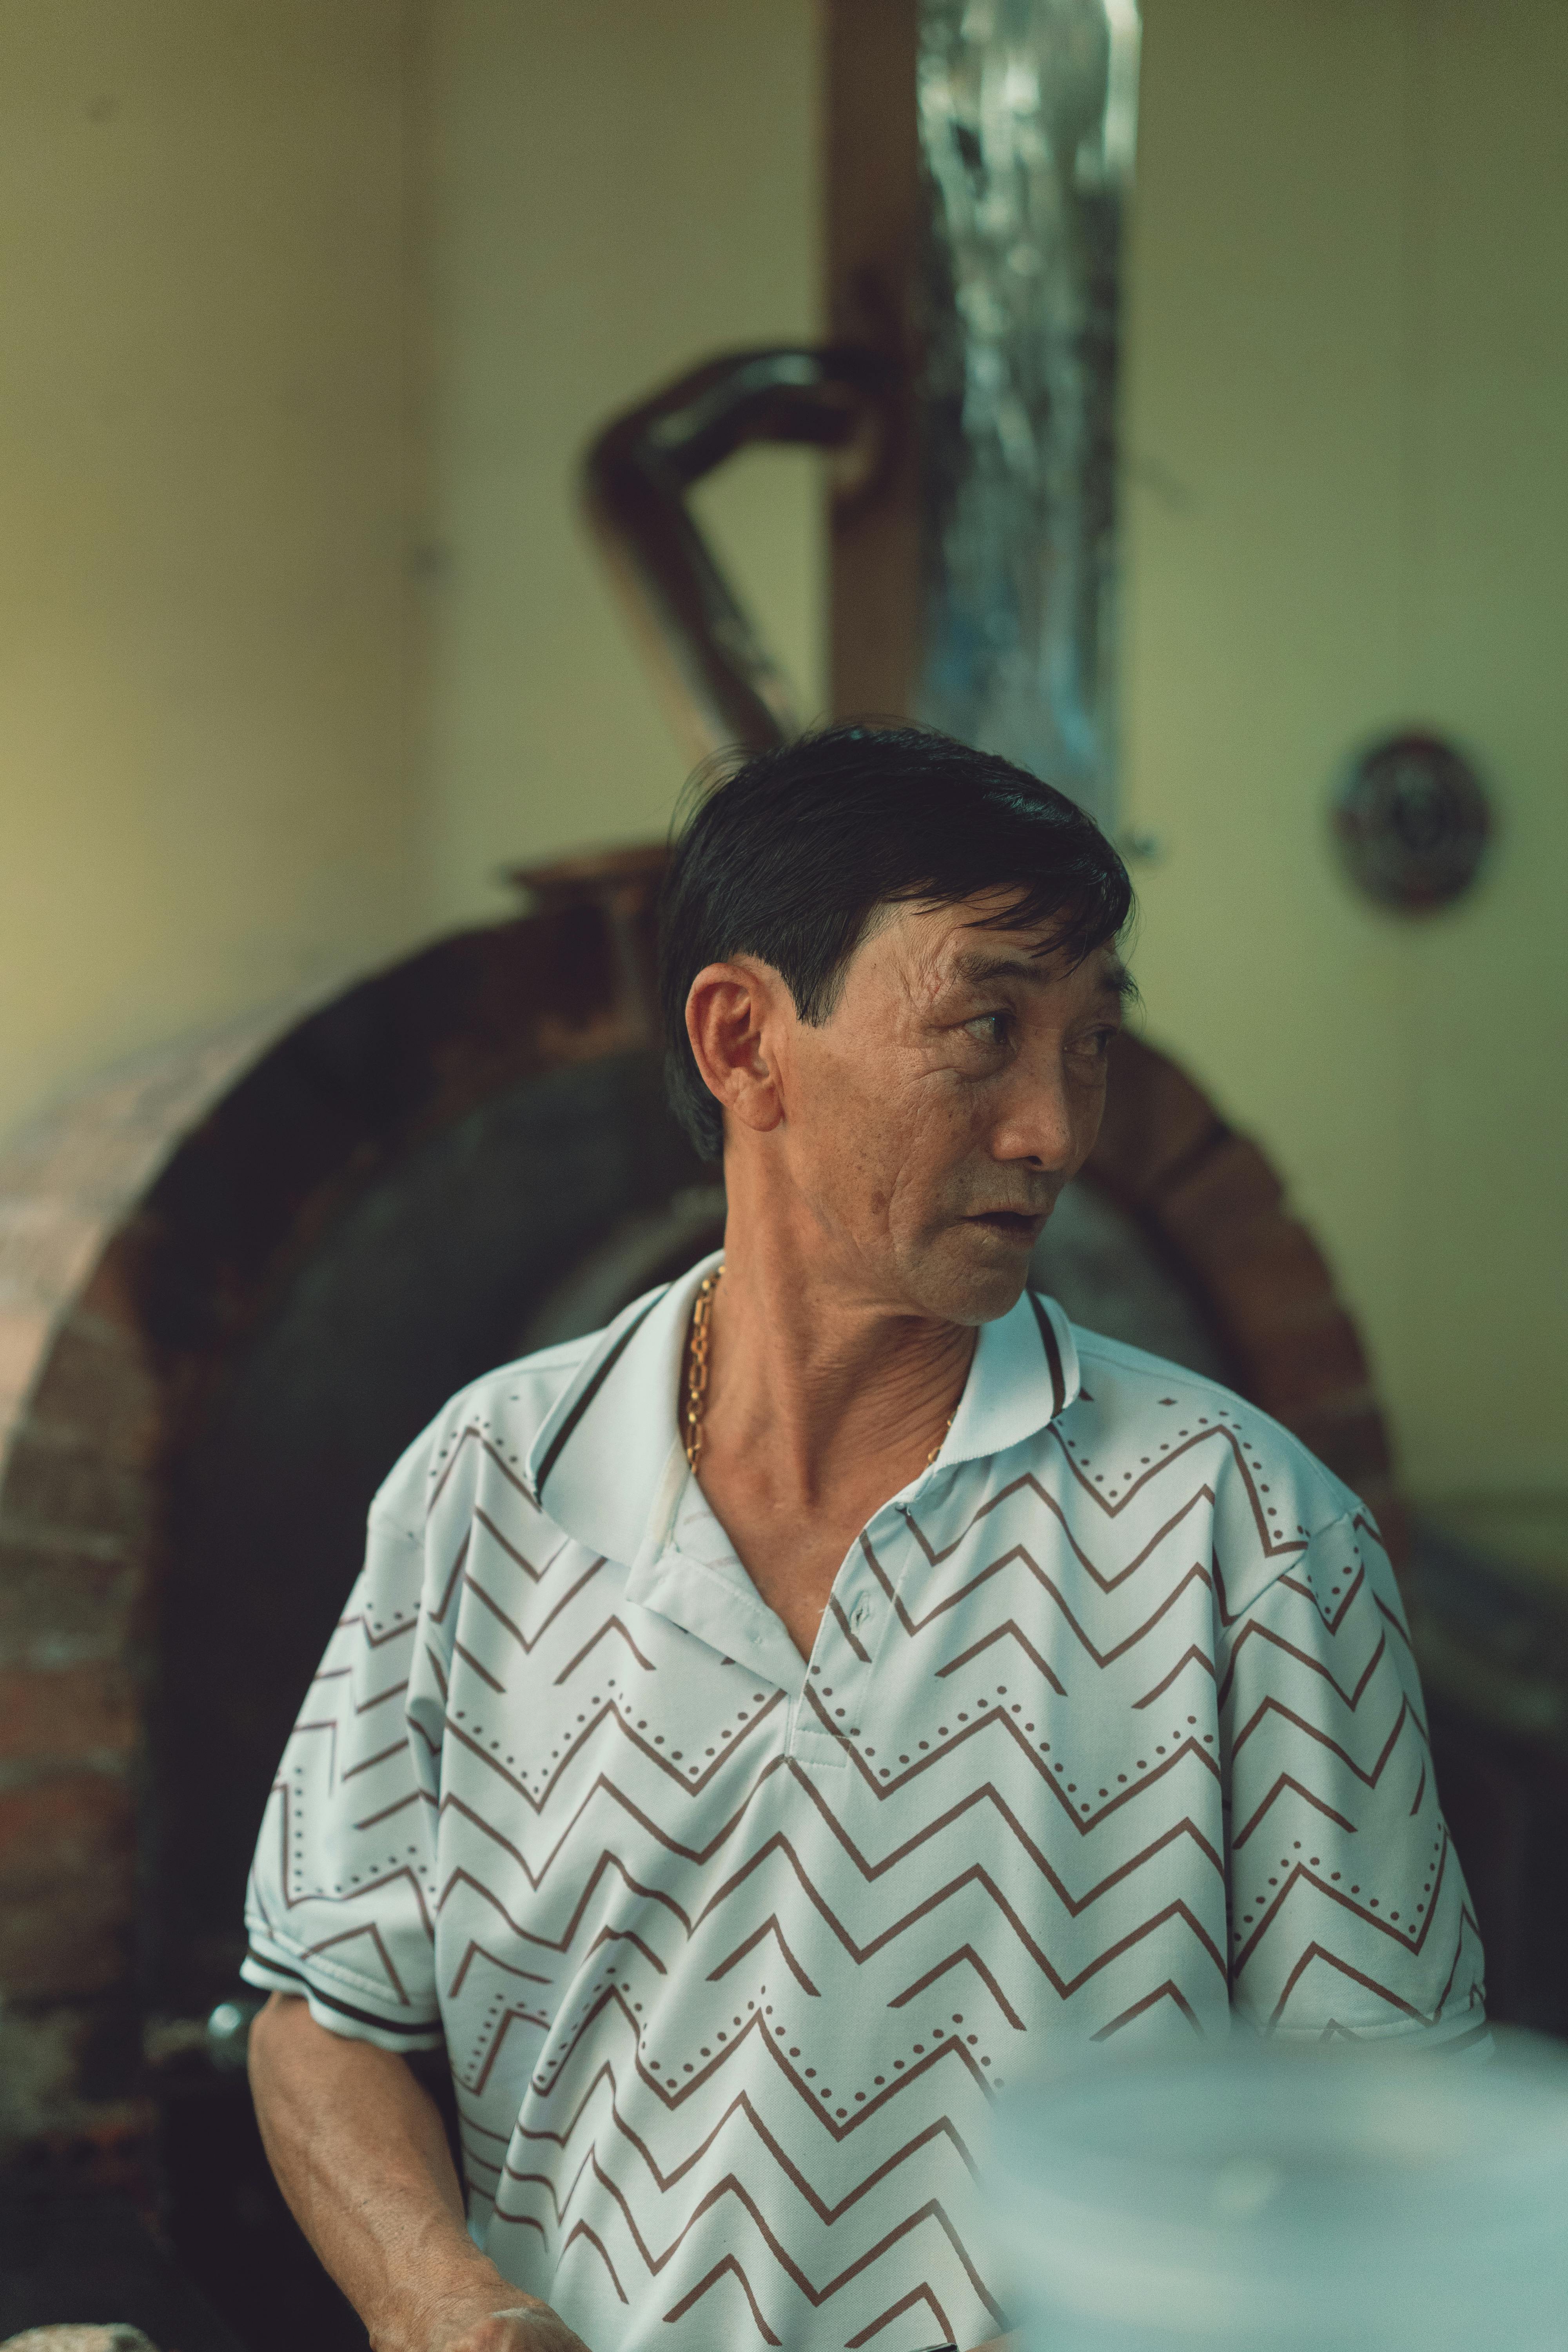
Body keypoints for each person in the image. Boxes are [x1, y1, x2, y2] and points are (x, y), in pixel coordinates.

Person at [244, 726, 1484, 2352]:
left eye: (1090, 1041)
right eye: (985, 1027)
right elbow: (324, 2017)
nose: (1055, 1127)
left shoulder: (1249, 1535)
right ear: (744, 1039)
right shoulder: (485, 1486)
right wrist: (441, 2306)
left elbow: (1389, 2154)